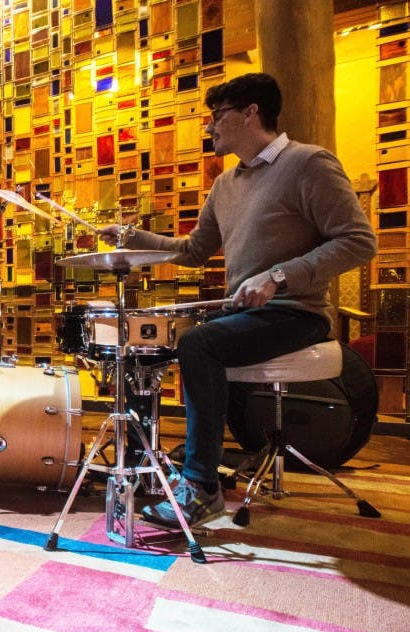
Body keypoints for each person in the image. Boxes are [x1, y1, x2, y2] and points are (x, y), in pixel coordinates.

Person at [98, 73, 377, 527]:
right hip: (248, 314)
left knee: (199, 344)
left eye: (217, 116)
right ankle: (155, 462)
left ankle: (202, 487)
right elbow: (192, 250)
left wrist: (279, 275)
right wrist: (133, 238)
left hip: (296, 312)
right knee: (142, 344)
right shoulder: (225, 184)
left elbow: (359, 241)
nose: (210, 127)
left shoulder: (309, 164)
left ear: (251, 113)